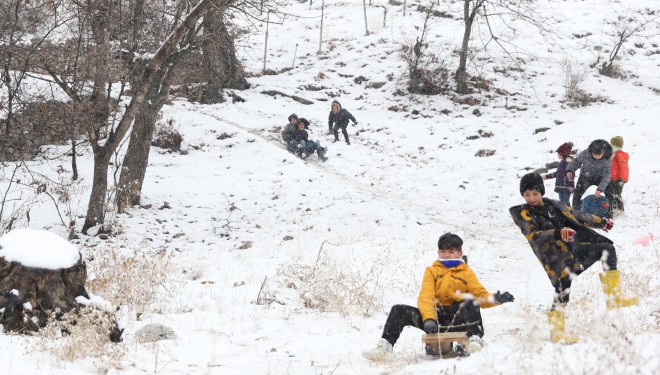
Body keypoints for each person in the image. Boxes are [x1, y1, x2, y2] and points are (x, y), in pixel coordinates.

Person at [510, 173, 637, 344]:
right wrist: (558, 233)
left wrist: (600, 222)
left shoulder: (554, 204)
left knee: (607, 249)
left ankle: (614, 298)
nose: (531, 198)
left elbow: (576, 214)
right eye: (526, 194)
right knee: (563, 291)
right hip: (557, 258)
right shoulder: (523, 213)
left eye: (534, 193)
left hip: (575, 250)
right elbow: (534, 236)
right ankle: (557, 333)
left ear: (541, 191)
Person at [362, 233, 515, 360]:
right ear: (438, 252)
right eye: (443, 251)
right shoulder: (432, 271)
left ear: (459, 253)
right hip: (435, 320)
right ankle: (385, 346)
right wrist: (429, 319)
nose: (446, 255)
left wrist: (496, 299)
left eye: (451, 251)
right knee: (399, 310)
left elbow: (480, 295)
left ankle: (474, 339)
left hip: (457, 318)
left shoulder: (466, 272)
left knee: (469, 301)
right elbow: (426, 296)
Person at [565, 139, 612, 210]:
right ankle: (575, 211)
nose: (596, 156)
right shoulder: (586, 153)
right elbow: (576, 162)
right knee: (577, 194)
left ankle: (609, 212)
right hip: (585, 176)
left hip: (600, 177)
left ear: (603, 152)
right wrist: (570, 170)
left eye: (599, 155)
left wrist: (600, 189)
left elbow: (606, 175)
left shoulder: (607, 159)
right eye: (594, 154)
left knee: (609, 194)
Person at [542, 142, 575, 206]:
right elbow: (558, 173)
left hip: (566, 187)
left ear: (563, 154)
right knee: (561, 202)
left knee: (565, 202)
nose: (557, 154)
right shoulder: (562, 162)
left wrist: (571, 185)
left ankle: (569, 214)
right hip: (561, 187)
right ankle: (563, 213)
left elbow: (571, 175)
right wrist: (547, 176)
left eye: (558, 153)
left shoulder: (568, 163)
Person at [604, 136, 628, 218]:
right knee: (608, 195)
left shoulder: (620, 154)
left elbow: (624, 168)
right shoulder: (611, 154)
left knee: (616, 195)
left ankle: (619, 210)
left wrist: (622, 179)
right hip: (609, 179)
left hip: (617, 180)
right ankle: (610, 210)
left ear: (615, 146)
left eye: (612, 144)